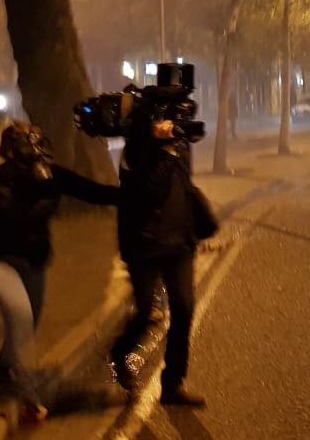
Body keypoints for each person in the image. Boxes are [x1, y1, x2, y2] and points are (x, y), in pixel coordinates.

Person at [0, 123, 118, 424]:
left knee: (27, 322)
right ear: (12, 152)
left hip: (33, 261)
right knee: (20, 315)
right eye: (29, 147)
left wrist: (138, 195)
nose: (37, 154)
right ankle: (24, 396)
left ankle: (3, 367)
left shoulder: (52, 177)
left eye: (39, 145)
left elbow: (95, 193)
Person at [111, 99, 217, 407]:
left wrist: (195, 226)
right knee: (147, 313)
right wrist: (162, 147)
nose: (174, 125)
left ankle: (172, 385)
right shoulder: (135, 151)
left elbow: (183, 186)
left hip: (178, 244)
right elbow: (148, 191)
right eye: (168, 119)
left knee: (183, 310)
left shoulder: (179, 146)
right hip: (144, 244)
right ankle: (120, 353)